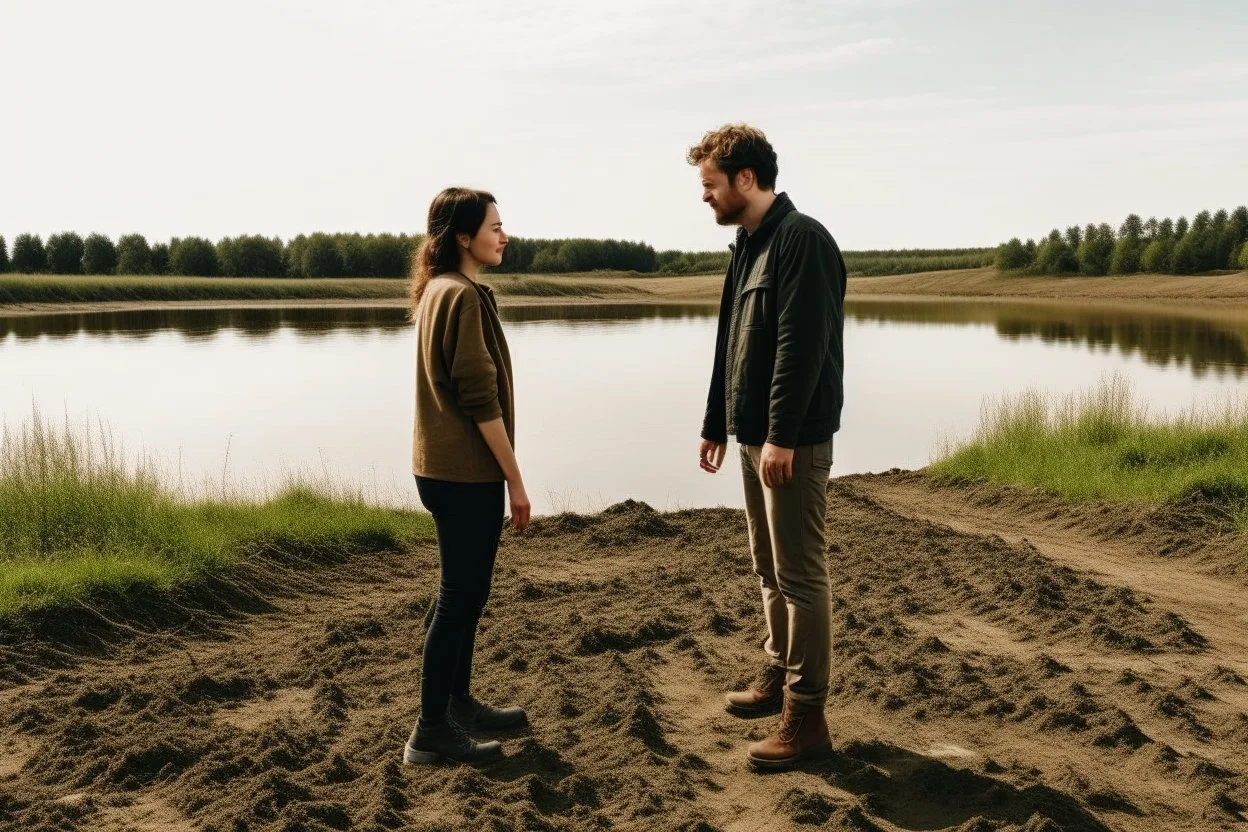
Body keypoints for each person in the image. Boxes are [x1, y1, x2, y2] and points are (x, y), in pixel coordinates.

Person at [690, 124, 847, 770]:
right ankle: (779, 675)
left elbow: (799, 348)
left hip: (792, 443)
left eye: (710, 185)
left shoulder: (800, 240)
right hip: (755, 439)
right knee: (767, 566)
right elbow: (733, 343)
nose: (704, 198)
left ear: (745, 179)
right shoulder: (747, 245)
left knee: (800, 573)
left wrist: (782, 435)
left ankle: (807, 717)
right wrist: (715, 423)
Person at [402, 187, 532, 766]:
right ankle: (430, 730)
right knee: (459, 598)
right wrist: (516, 481)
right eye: (495, 227)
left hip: (441, 469)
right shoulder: (462, 296)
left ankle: (457, 704)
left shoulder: (440, 290)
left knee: (467, 594)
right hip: (464, 474)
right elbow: (481, 402)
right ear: (463, 236)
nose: (504, 236)